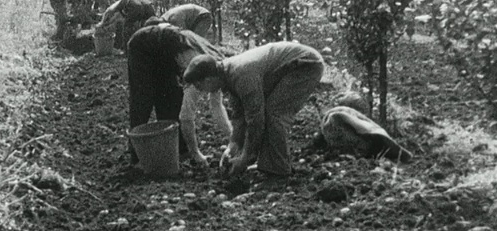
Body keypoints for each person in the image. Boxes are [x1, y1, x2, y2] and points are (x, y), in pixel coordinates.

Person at [183, 41, 325, 177]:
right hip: (290, 66)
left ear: (208, 80)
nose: (201, 90)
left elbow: (255, 119)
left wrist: (244, 158)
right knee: (269, 111)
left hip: (306, 64)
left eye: (199, 86)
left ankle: (278, 172)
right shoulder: (227, 75)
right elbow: (239, 116)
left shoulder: (242, 75)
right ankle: (269, 165)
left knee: (275, 112)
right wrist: (232, 147)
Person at [127, 23, 231, 168]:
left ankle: (178, 150)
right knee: (143, 98)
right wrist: (196, 153)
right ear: (205, 81)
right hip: (143, 44)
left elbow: (217, 107)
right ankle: (137, 157)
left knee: (170, 97)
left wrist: (233, 140)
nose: (207, 91)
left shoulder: (218, 69)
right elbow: (187, 116)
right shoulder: (198, 72)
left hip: (167, 50)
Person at [317, 92, 413, 162]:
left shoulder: (338, 115)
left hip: (365, 144)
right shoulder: (336, 115)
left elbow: (366, 127)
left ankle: (360, 151)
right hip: (359, 142)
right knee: (336, 117)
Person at [145, 4, 213, 39]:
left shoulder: (174, 20)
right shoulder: (165, 17)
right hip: (196, 18)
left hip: (202, 16)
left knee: (196, 41)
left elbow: (184, 35)